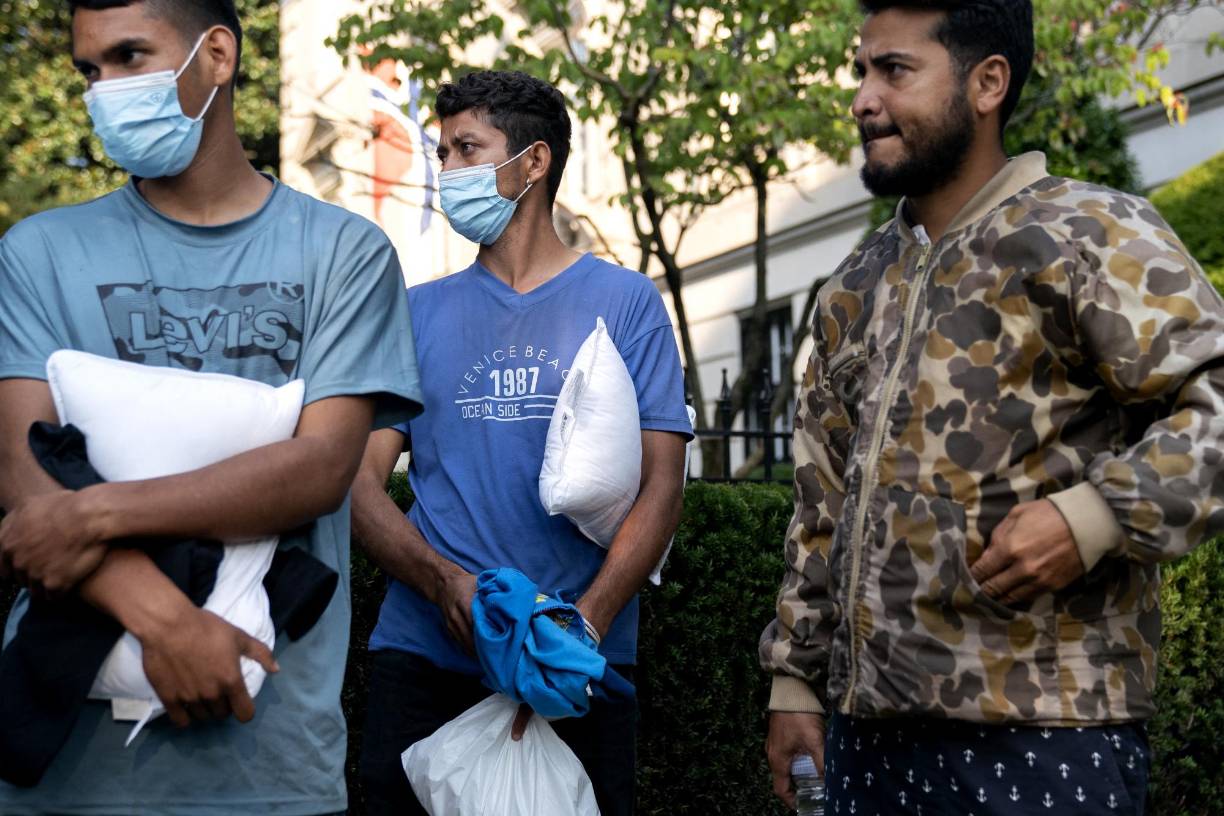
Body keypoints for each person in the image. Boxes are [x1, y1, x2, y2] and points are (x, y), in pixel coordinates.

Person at [760, 1, 1224, 813]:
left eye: (894, 70)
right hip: (869, 738)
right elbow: (820, 500)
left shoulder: (1088, 234)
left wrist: (1094, 517)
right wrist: (795, 681)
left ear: (987, 83)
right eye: (861, 70)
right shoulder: (855, 285)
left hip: (1049, 731)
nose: (864, 98)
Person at [0, 1, 422, 813]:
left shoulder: (342, 252)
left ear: (217, 55)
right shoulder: (36, 252)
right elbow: (25, 480)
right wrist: (169, 625)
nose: (104, 90)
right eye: (91, 70)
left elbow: (319, 468)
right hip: (65, 772)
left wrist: (91, 518)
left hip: (271, 771)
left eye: (130, 57)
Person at [351, 70, 691, 816]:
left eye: (467, 149)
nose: (447, 172)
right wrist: (444, 583)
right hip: (426, 653)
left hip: (573, 662)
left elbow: (665, 482)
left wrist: (586, 622)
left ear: (534, 162)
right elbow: (359, 486)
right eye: (443, 154)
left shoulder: (626, 302)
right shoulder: (414, 312)